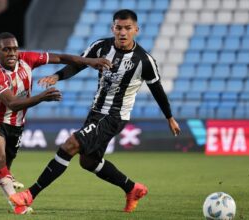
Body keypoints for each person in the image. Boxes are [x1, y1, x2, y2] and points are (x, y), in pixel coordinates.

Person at [9, 9, 181, 213]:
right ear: (113, 28)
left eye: (127, 28)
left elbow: (157, 90)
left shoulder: (144, 61)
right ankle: (132, 188)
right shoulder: (101, 46)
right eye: (119, 28)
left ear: (136, 29)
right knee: (88, 161)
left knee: (70, 145)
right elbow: (78, 64)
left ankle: (30, 194)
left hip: (114, 116)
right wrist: (57, 76)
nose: (123, 33)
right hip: (96, 112)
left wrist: (170, 117)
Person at [0, 32, 112, 214]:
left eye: (14, 48)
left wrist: (90, 61)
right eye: (6, 50)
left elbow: (60, 57)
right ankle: (17, 205)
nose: (12, 53)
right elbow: (12, 103)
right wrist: (42, 97)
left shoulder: (27, 58)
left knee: (1, 167)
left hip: (16, 125)